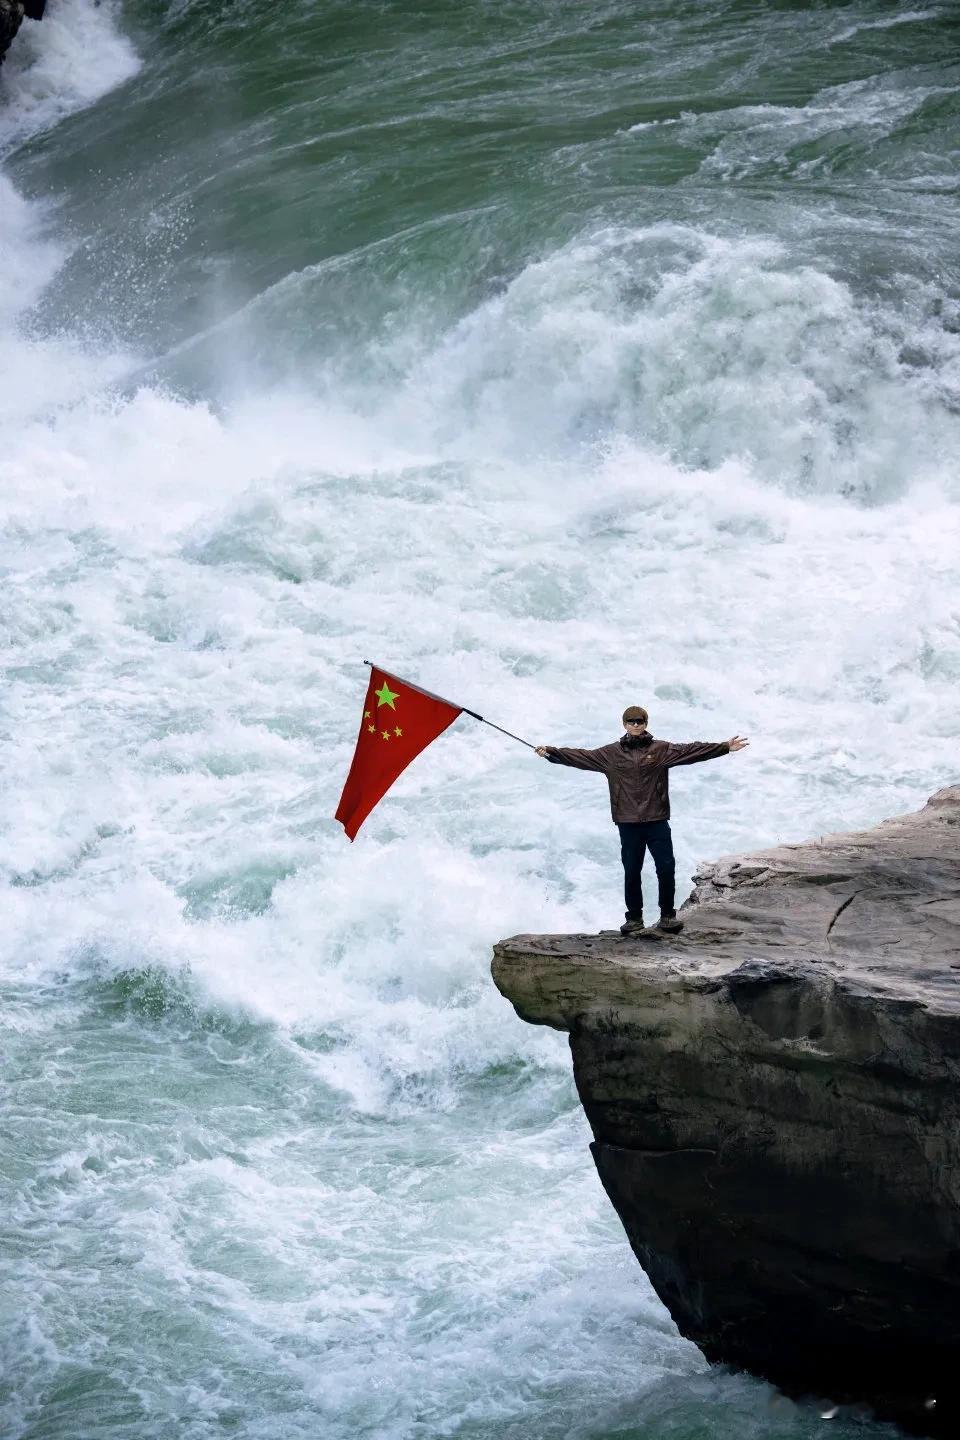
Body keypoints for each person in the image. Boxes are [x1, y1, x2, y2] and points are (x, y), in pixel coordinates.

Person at [536, 706, 748, 937]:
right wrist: (550, 752)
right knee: (632, 870)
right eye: (631, 721)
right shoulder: (609, 754)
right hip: (628, 823)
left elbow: (692, 751)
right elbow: (579, 756)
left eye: (639, 721)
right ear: (624, 724)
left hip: (656, 820)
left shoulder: (661, 750)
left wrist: (725, 747)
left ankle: (668, 916)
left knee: (666, 868)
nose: (636, 725)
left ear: (646, 723)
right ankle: (634, 919)